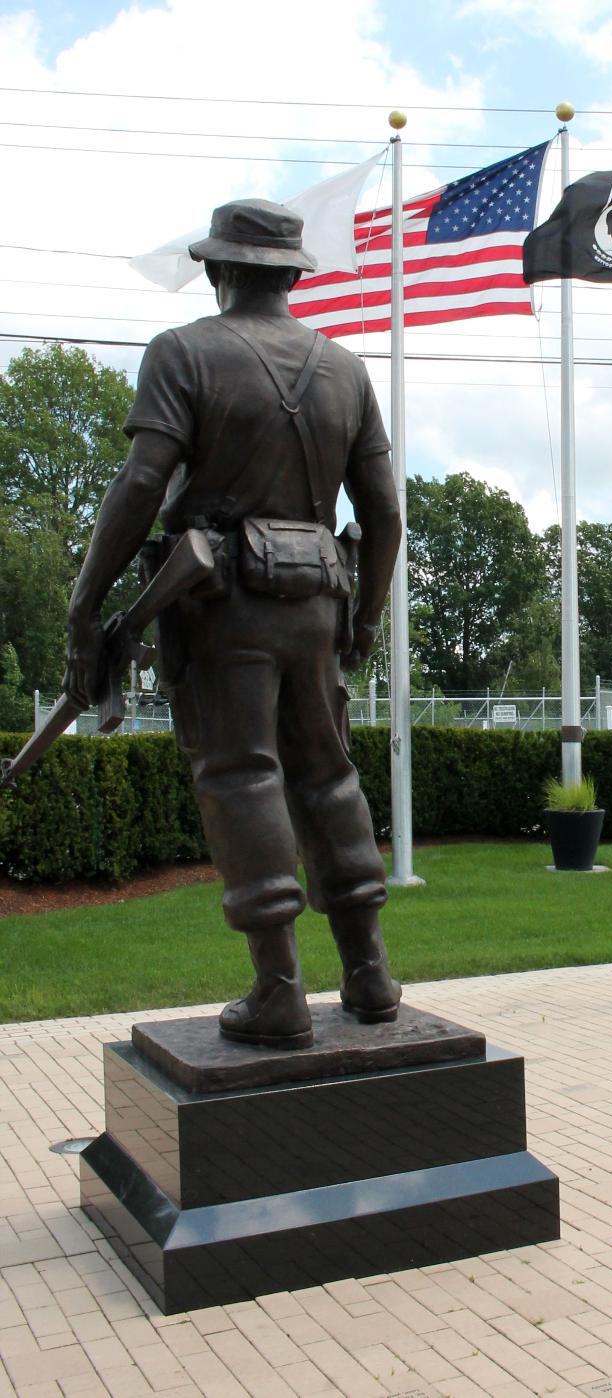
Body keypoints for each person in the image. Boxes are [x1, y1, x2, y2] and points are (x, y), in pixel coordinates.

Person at [64, 198, 403, 1050]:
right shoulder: (346, 370)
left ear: (218, 270)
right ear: (292, 274)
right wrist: (363, 619)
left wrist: (84, 603)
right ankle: (368, 975)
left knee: (241, 774)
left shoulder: (184, 353)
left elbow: (142, 483)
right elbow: (387, 514)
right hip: (319, 598)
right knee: (329, 776)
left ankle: (279, 990)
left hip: (224, 608)